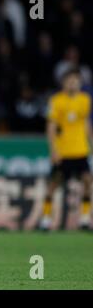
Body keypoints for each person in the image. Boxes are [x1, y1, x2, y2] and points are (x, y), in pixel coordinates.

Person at [40, 68, 93, 230]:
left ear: (80, 83)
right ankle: (46, 218)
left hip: (80, 150)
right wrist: (53, 150)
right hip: (63, 152)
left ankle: (84, 218)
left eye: (76, 80)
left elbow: (86, 124)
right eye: (70, 80)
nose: (73, 83)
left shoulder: (85, 100)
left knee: (87, 181)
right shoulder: (56, 101)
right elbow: (51, 127)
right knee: (53, 185)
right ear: (63, 83)